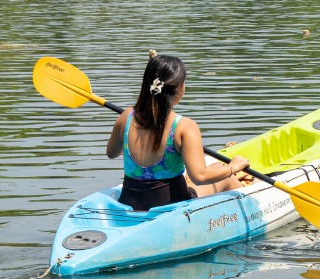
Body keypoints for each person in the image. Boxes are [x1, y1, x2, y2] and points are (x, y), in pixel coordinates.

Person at [105, 52, 250, 212]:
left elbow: (111, 153)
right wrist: (234, 167)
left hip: (131, 202)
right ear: (179, 88)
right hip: (173, 206)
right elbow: (200, 177)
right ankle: (253, 206)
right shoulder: (184, 126)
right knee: (226, 177)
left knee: (215, 165)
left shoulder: (126, 117)